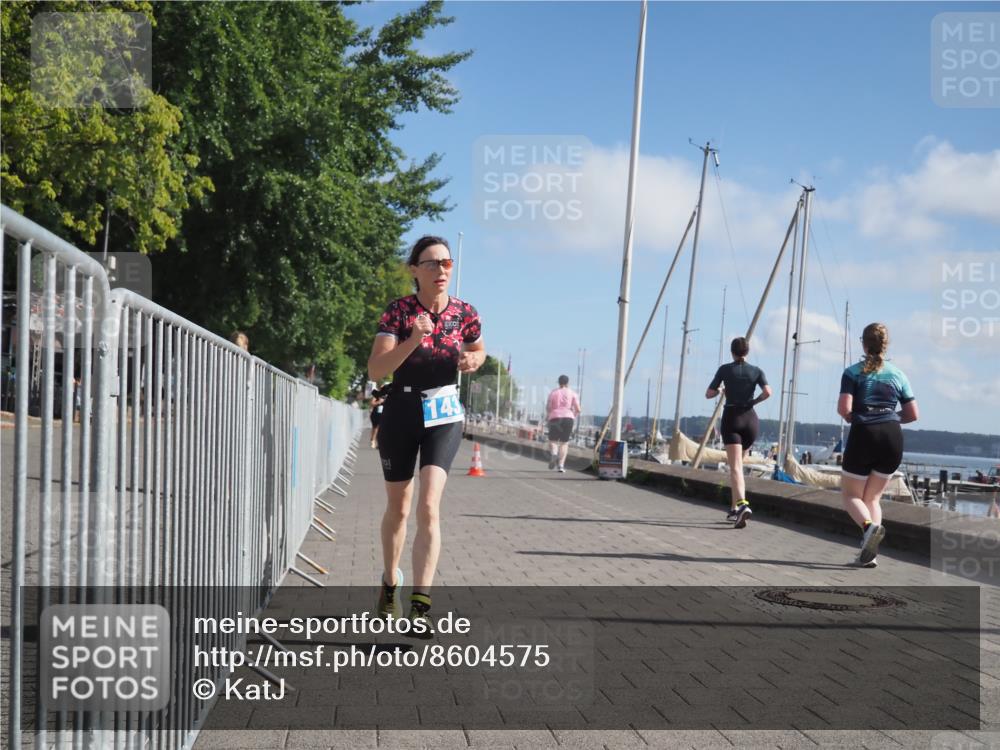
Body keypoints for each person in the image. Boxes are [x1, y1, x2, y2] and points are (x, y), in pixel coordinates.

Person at [367, 235, 485, 633]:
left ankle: (420, 605)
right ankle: (390, 583)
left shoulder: (465, 312)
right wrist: (413, 340)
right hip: (401, 410)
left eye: (446, 263)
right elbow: (376, 370)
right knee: (399, 509)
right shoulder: (399, 312)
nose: (441, 270)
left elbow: (479, 348)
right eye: (432, 263)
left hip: (443, 414)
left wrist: (474, 360)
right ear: (415, 270)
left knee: (429, 506)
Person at [837, 322, 918, 568]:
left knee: (851, 495)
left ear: (864, 344)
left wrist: (858, 418)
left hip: (864, 433)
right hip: (892, 436)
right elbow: (913, 414)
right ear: (885, 344)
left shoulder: (852, 373)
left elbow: (844, 409)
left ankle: (868, 528)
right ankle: (870, 554)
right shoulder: (898, 374)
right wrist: (889, 418)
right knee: (872, 498)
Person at [705, 337, 772, 528]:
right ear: (747, 352)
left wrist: (720, 390)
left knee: (735, 467)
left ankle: (743, 505)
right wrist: (754, 402)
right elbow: (768, 392)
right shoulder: (757, 371)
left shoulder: (725, 370)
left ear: (732, 352)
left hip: (732, 419)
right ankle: (734, 509)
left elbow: (709, 393)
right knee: (739, 468)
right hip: (750, 420)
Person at [545, 375, 581, 473]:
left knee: (553, 440)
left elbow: (548, 408)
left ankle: (554, 454)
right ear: (568, 383)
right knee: (564, 443)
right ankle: (561, 466)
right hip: (568, 418)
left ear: (559, 382)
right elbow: (578, 409)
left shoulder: (553, 393)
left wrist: (549, 416)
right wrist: (573, 416)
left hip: (555, 417)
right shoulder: (573, 393)